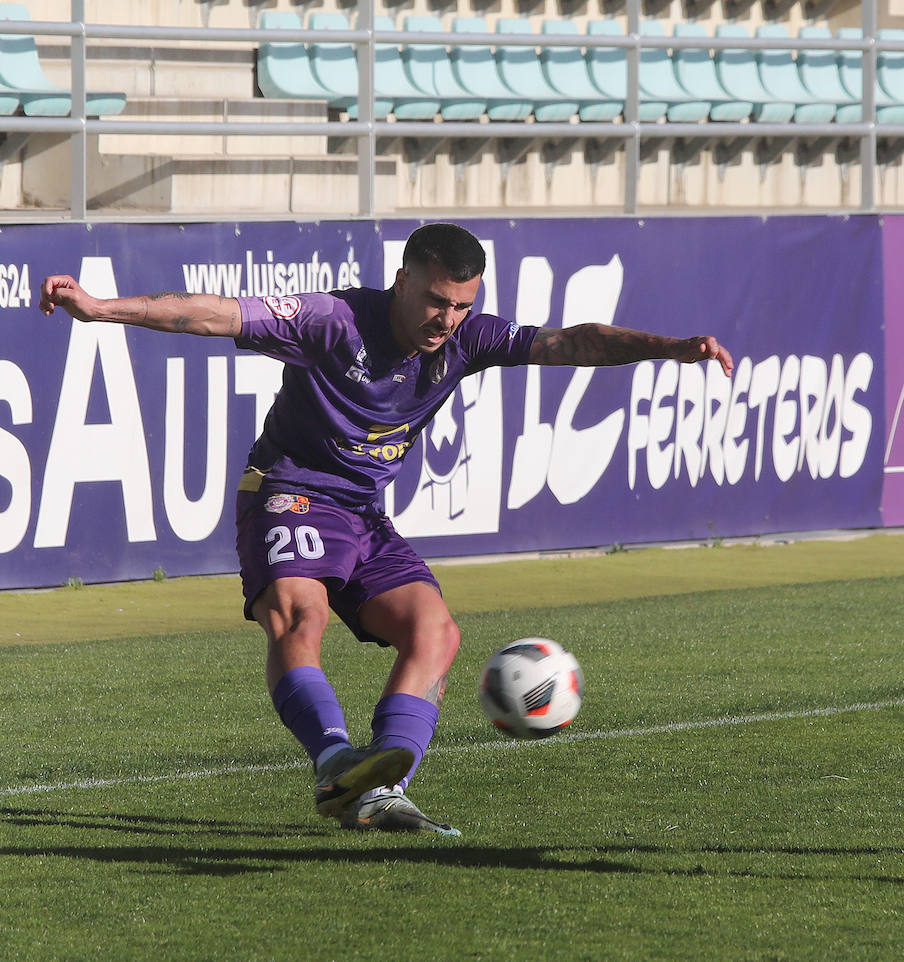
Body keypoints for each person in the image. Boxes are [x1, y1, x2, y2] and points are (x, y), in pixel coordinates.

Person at [40, 223, 734, 835]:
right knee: (298, 614)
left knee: (437, 632)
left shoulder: (469, 337)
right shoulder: (332, 319)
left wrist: (668, 347)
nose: (448, 318)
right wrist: (101, 309)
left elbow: (568, 342)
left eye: (462, 305)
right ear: (402, 280)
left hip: (364, 515)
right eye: (436, 300)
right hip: (288, 492)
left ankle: (378, 793)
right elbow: (212, 314)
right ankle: (336, 759)